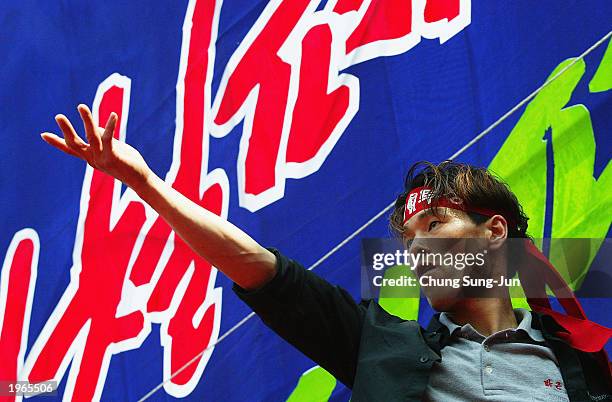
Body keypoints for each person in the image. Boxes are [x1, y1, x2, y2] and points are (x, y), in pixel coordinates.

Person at [41, 105, 612, 401]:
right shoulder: (384, 349)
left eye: (435, 223)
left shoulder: (579, 362)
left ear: (493, 234)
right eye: (407, 239)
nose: (417, 248)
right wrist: (145, 184)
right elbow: (266, 274)